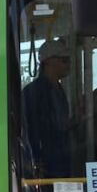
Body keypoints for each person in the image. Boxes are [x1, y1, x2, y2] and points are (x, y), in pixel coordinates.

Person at [22, 38, 72, 178]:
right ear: (49, 61)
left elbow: (60, 126)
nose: (69, 64)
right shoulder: (33, 93)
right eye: (64, 60)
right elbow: (30, 130)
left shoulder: (59, 90)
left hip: (60, 159)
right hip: (44, 163)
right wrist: (35, 161)